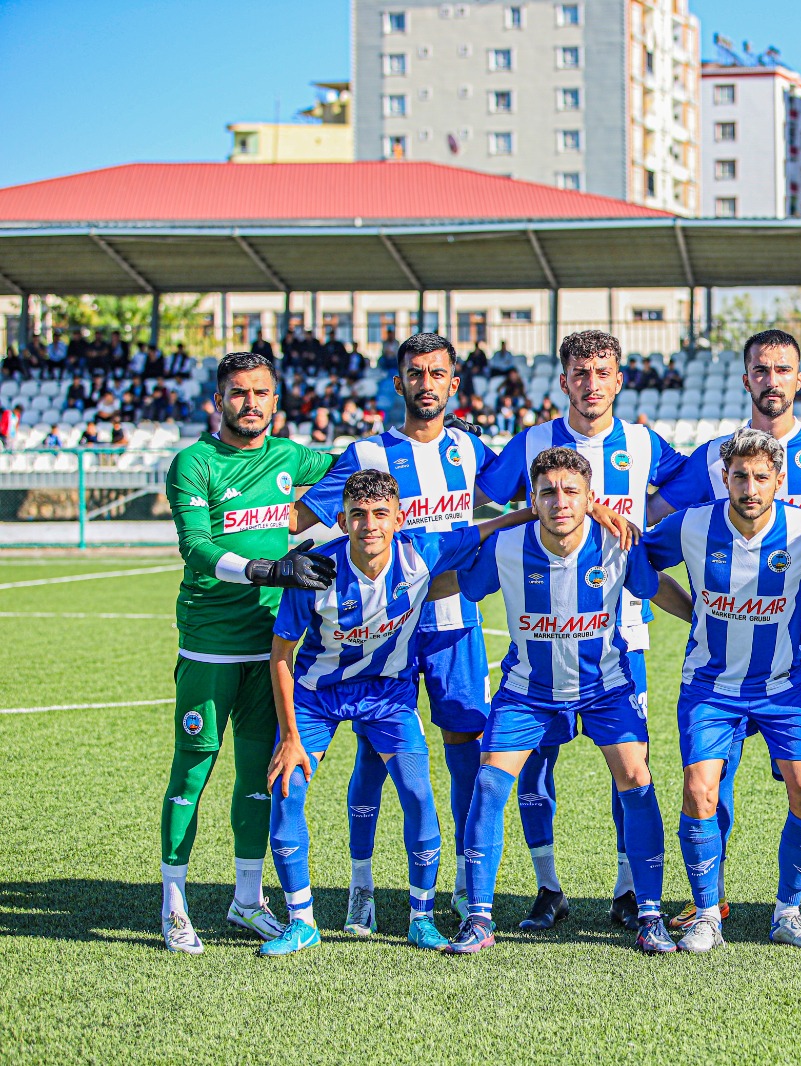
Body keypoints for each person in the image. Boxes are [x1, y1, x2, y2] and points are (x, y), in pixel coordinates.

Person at [653, 331, 801, 931]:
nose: (772, 379)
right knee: (713, 772)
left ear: (799, 378)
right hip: (724, 634)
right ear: (747, 377)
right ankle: (711, 896)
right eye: (761, 369)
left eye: (783, 369)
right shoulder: (714, 455)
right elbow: (657, 514)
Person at [259, 469, 533, 956]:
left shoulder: (421, 552)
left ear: (399, 519)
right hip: (318, 695)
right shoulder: (314, 572)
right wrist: (289, 737)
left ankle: (420, 918)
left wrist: (562, 509)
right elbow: (281, 655)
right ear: (341, 520)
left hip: (387, 695)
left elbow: (488, 528)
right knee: (287, 790)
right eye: (358, 515)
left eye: (380, 514)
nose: (370, 525)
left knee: (418, 793)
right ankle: (301, 921)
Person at [477, 329, 691, 932]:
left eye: (602, 372)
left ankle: (628, 890)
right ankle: (548, 887)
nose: (591, 384)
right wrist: (562, 510)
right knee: (534, 768)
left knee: (630, 765)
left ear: (619, 380)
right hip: (543, 633)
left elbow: (691, 491)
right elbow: (481, 503)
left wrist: (642, 520)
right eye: (580, 372)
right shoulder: (532, 442)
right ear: (564, 380)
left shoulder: (643, 443)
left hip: (622, 631)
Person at [292, 332, 499, 934]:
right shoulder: (366, 453)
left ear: (453, 383)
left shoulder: (470, 448)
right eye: (415, 373)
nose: (426, 384)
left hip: (455, 623)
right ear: (398, 382)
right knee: (375, 755)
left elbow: (537, 488)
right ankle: (361, 886)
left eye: (437, 374)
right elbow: (301, 517)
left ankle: (464, 880)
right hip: (383, 631)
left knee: (466, 749)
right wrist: (240, 532)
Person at [448, 446, 689, 955]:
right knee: (489, 784)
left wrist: (703, 619)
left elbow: (653, 586)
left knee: (637, 779)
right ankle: (479, 918)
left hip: (605, 688)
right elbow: (463, 584)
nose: (560, 501)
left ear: (590, 497)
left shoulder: (620, 542)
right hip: (528, 691)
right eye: (548, 492)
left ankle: (649, 914)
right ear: (533, 500)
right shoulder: (506, 547)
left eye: (571, 492)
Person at [157, 351, 340, 954]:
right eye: (238, 392)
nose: (250, 403)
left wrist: (436, 437)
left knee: (260, 776)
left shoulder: (288, 455)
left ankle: (246, 900)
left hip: (269, 647)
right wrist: (267, 568)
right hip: (210, 644)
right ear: (218, 400)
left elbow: (355, 464)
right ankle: (174, 902)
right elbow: (196, 547)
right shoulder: (194, 463)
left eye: (261, 393)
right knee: (193, 769)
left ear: (275, 401)